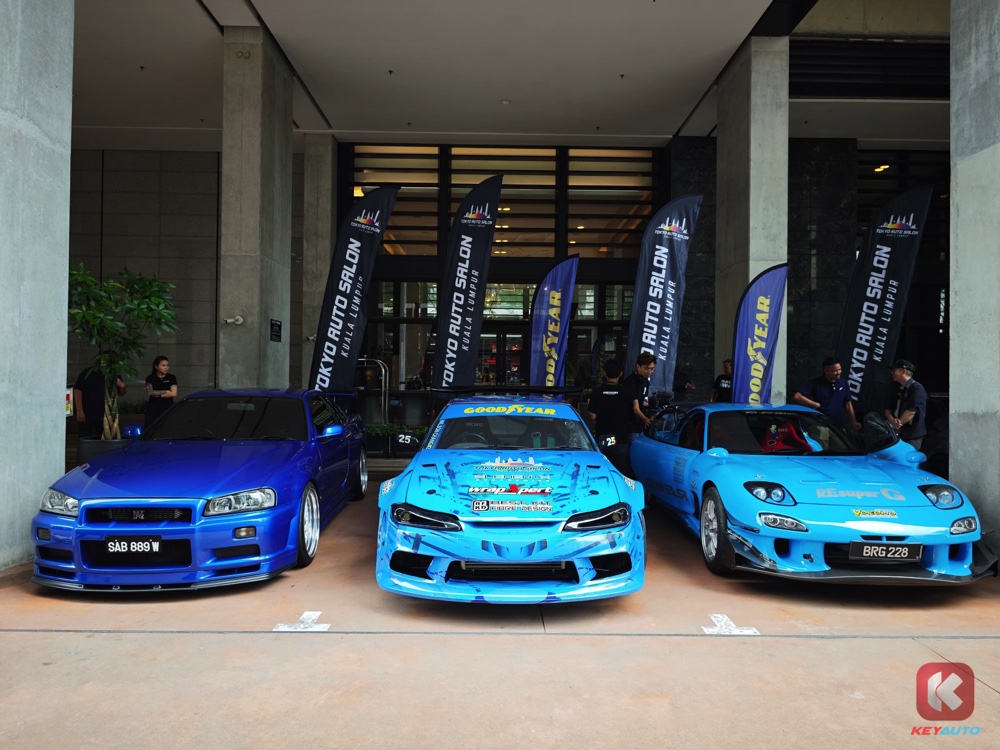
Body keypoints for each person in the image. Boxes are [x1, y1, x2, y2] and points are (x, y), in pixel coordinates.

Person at [586, 359, 631, 475]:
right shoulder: (626, 392)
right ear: (621, 374)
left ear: (604, 373)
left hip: (602, 439)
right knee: (620, 475)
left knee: (601, 473)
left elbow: (592, 416)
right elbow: (632, 413)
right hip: (621, 440)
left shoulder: (597, 392)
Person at [792, 356, 861, 431]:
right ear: (826, 371)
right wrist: (814, 404)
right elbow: (797, 396)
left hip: (838, 426)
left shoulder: (844, 383)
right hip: (820, 425)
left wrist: (853, 421)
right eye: (834, 371)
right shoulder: (816, 383)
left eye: (840, 369)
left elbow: (848, 404)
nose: (838, 373)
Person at [884, 359, 928, 449]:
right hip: (896, 432)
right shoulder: (897, 388)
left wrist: (897, 424)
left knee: (908, 457)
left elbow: (911, 411)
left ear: (903, 371)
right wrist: (892, 420)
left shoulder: (917, 388)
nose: (892, 373)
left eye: (894, 370)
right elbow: (887, 408)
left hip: (911, 436)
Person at [74, 367, 126, 439]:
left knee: (104, 438)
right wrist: (79, 410)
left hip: (106, 414)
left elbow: (121, 393)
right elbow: (78, 390)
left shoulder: (113, 373)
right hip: (87, 412)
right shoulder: (88, 372)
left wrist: (122, 386)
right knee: (85, 437)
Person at [623, 352, 657, 435]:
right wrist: (646, 420)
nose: (649, 372)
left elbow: (641, 401)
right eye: (646, 368)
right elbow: (635, 408)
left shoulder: (645, 381)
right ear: (638, 367)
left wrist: (655, 404)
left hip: (640, 426)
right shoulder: (631, 382)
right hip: (630, 426)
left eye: (652, 369)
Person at [144, 355, 178, 426]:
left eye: (167, 365)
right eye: (163, 365)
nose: (166, 367)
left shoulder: (171, 377)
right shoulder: (150, 378)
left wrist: (158, 395)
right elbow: (150, 392)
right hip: (153, 407)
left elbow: (173, 393)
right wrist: (166, 391)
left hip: (167, 406)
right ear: (156, 366)